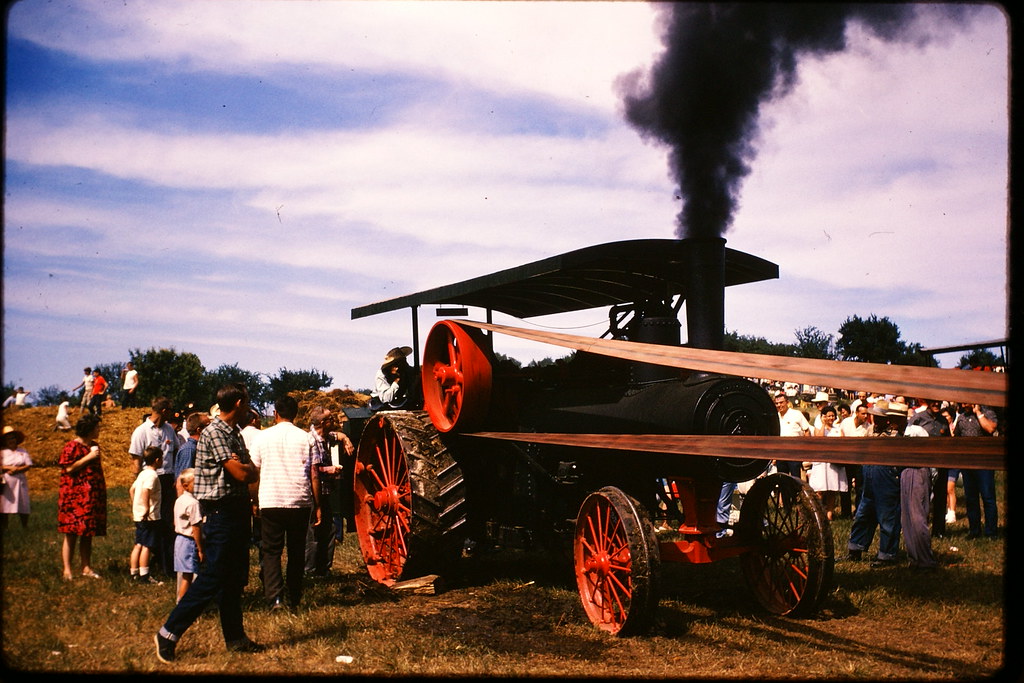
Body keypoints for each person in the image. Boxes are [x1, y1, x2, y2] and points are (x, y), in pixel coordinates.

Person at [155, 383, 262, 663]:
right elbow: (242, 473)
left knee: (233, 580)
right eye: (248, 402)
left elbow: (251, 471)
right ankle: (168, 632)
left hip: (237, 512)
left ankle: (235, 638)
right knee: (213, 577)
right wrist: (245, 469)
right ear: (238, 403)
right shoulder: (215, 433)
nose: (250, 408)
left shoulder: (233, 433)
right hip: (221, 514)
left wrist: (247, 469)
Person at [250, 395, 321, 610]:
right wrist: (317, 505)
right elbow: (314, 474)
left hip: (271, 499)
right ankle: (294, 596)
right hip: (299, 500)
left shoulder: (261, 438)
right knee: (297, 550)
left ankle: (275, 598)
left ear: (275, 414)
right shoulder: (307, 438)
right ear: (296, 415)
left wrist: (254, 500)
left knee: (271, 551)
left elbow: (254, 472)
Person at [846, 400, 904, 568]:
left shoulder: (894, 435)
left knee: (887, 517)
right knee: (863, 514)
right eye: (874, 417)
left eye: (879, 417)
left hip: (886, 479)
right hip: (869, 477)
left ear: (887, 419)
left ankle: (887, 555)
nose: (875, 420)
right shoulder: (870, 430)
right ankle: (855, 548)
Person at [129, 396, 180, 577]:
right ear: (164, 411)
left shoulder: (168, 430)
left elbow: (176, 450)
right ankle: (148, 563)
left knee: (167, 522)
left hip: (167, 480)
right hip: (150, 480)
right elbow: (136, 462)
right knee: (150, 522)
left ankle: (167, 563)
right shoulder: (141, 432)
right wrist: (136, 485)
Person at [305, 406, 354, 577]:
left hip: (325, 491)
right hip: (313, 493)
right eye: (330, 419)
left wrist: (346, 439)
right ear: (322, 423)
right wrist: (331, 470)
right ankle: (310, 571)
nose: (334, 421)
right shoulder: (312, 441)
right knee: (314, 532)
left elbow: (338, 435)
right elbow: (313, 472)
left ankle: (324, 570)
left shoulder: (325, 436)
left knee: (330, 529)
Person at [58, 413, 107, 580]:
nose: (99, 430)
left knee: (87, 533)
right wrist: (89, 457)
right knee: (71, 533)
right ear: (89, 429)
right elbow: (69, 469)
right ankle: (67, 570)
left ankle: (86, 567)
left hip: (91, 496)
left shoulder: (93, 445)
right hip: (74, 497)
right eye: (97, 427)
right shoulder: (71, 446)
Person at [953, 402, 999, 539]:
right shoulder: (961, 417)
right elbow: (956, 438)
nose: (965, 403)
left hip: (984, 463)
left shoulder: (988, 412)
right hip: (968, 464)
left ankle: (991, 532)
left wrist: (978, 412)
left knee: (988, 497)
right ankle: (974, 531)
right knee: (971, 499)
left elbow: (990, 429)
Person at [907, 398, 950, 538]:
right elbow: (908, 436)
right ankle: (920, 530)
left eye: (939, 402)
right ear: (928, 402)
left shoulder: (944, 421)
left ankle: (939, 531)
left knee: (940, 497)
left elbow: (948, 440)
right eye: (934, 402)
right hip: (923, 464)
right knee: (922, 497)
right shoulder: (918, 418)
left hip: (941, 464)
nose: (937, 404)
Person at [902, 412, 939, 571]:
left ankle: (925, 559)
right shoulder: (902, 431)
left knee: (917, 517)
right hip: (906, 470)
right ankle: (915, 557)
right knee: (907, 518)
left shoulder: (916, 431)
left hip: (918, 471)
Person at [803, 404, 846, 520]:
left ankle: (829, 514)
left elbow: (843, 444)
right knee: (820, 490)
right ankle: (819, 513)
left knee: (832, 490)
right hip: (821, 463)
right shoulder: (819, 429)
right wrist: (822, 424)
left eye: (833, 416)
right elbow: (819, 439)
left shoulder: (838, 430)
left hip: (833, 463)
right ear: (823, 417)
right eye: (828, 416)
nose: (831, 418)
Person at [130, 446, 165, 585]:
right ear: (157, 460)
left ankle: (133, 573)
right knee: (147, 545)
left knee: (138, 543)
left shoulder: (142, 473)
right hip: (149, 516)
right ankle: (144, 574)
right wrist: (145, 508)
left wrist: (136, 506)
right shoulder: (152, 475)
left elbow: (131, 490)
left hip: (138, 515)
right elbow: (146, 490)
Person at [173, 469, 204, 604]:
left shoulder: (180, 500)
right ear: (186, 486)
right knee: (188, 575)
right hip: (189, 541)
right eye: (195, 483)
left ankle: (183, 601)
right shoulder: (193, 503)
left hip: (179, 540)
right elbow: (196, 527)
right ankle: (183, 604)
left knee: (185, 573)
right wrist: (200, 548)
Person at [1, 425, 34, 530]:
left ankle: (25, 526)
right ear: (4, 441)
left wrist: (17, 470)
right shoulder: (2, 452)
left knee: (23, 503)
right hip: (6, 482)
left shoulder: (22, 451)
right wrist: (9, 468)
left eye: (13, 438)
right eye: (8, 439)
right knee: (4, 505)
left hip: (20, 481)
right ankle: (4, 527)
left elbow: (28, 465)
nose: (11, 440)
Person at [370, 346, 421, 410]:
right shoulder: (381, 375)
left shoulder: (406, 371)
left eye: (400, 365)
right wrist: (396, 382)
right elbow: (386, 399)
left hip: (399, 400)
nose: (397, 368)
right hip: (380, 402)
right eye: (394, 365)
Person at [773, 392, 810, 477]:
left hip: (795, 452)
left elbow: (806, 430)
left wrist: (806, 450)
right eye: (777, 403)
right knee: (782, 478)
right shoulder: (775, 417)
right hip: (780, 453)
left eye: (781, 402)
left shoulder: (796, 414)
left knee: (795, 478)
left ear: (787, 402)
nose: (779, 405)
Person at [174, 412, 211, 481]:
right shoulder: (189, 450)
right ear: (199, 430)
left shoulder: (200, 447)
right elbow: (185, 479)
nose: (212, 428)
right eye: (208, 425)